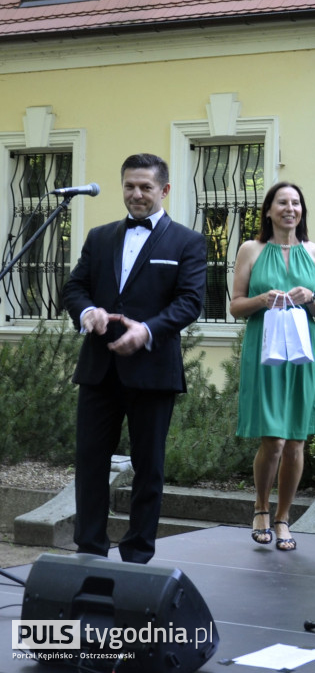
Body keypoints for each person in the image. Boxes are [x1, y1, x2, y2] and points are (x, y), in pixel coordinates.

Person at [63, 153, 207, 564]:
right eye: (129, 186)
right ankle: (89, 548)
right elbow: (75, 289)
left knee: (149, 468)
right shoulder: (100, 236)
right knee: (90, 462)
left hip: (153, 369)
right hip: (98, 368)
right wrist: (87, 312)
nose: (136, 194)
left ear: (163, 190)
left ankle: (138, 554)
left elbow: (189, 303)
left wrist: (145, 331)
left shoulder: (187, 241)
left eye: (145, 187)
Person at [231, 182, 315, 552]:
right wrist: (261, 298)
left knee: (296, 442)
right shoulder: (251, 249)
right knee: (272, 440)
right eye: (282, 202)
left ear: (302, 210)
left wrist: (311, 299)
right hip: (265, 350)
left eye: (296, 202)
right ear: (269, 210)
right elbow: (236, 306)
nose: (290, 208)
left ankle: (284, 517)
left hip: (303, 353)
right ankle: (260, 508)